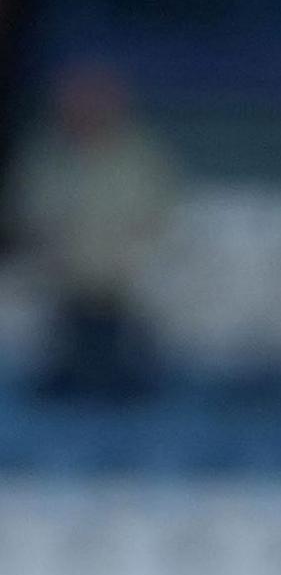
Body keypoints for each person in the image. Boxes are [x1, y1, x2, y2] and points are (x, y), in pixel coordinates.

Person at [9, 63, 180, 397]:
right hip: (65, 278)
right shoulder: (46, 156)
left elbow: (157, 210)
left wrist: (134, 255)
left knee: (120, 357)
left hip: (121, 280)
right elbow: (27, 206)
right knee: (69, 354)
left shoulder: (138, 157)